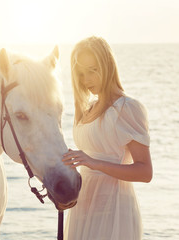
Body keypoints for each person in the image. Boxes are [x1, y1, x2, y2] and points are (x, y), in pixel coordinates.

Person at [62, 36, 153, 240]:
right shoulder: (87, 110)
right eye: (81, 74)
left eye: (93, 70)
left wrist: (93, 162)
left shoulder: (127, 108)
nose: (86, 80)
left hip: (114, 210)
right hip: (83, 208)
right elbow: (88, 161)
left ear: (107, 64)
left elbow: (145, 171)